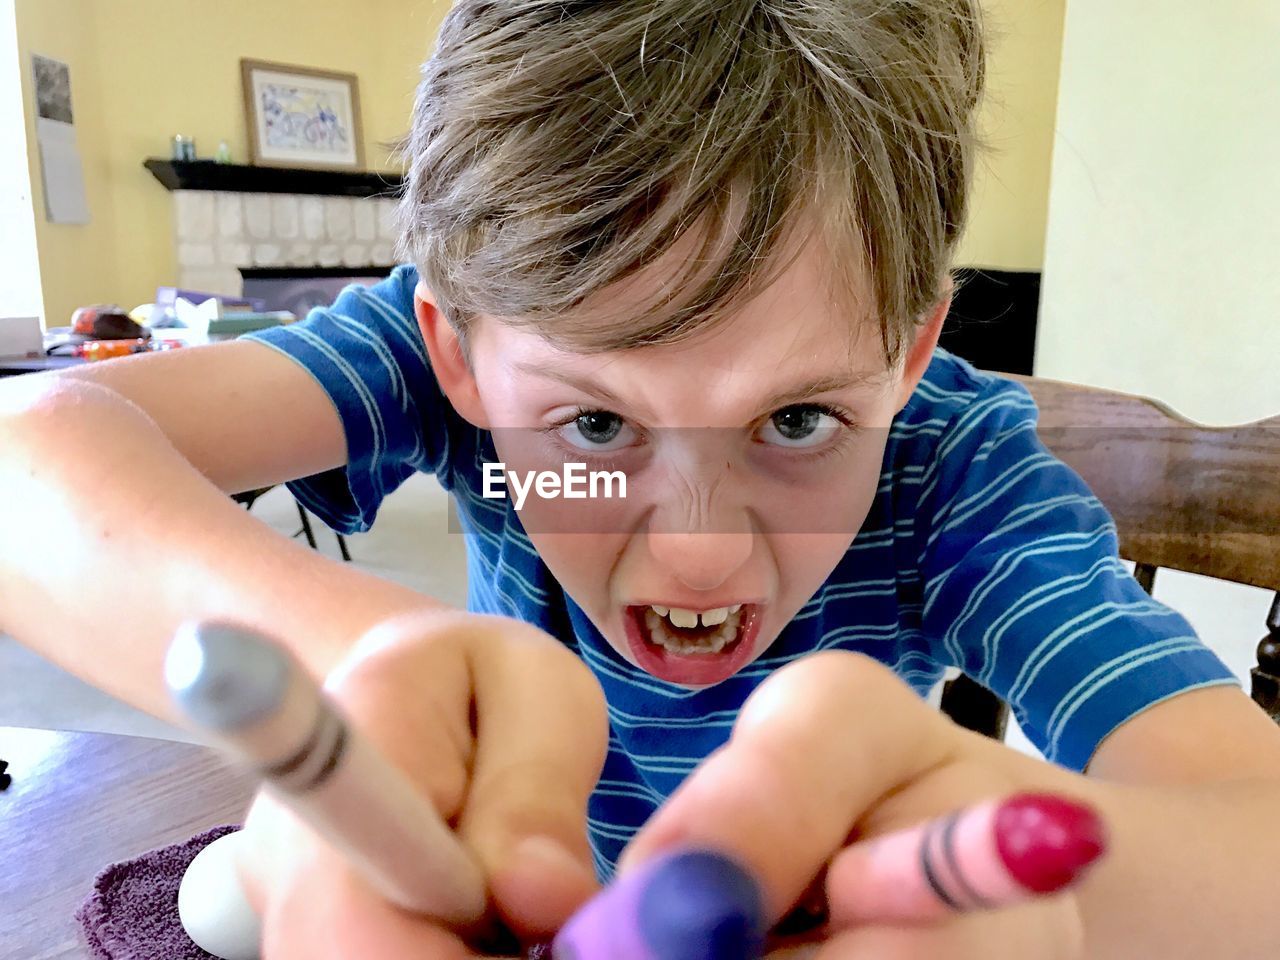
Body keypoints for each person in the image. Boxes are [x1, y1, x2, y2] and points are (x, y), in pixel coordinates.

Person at [2, 2, 1278, 958]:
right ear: (457, 355)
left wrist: (1060, 908)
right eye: (596, 429)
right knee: (233, 892)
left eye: (795, 419)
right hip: (480, 900)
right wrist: (395, 676)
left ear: (908, 355)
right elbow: (23, 463)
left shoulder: (954, 476)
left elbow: (1255, 839)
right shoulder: (441, 344)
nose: (697, 556)